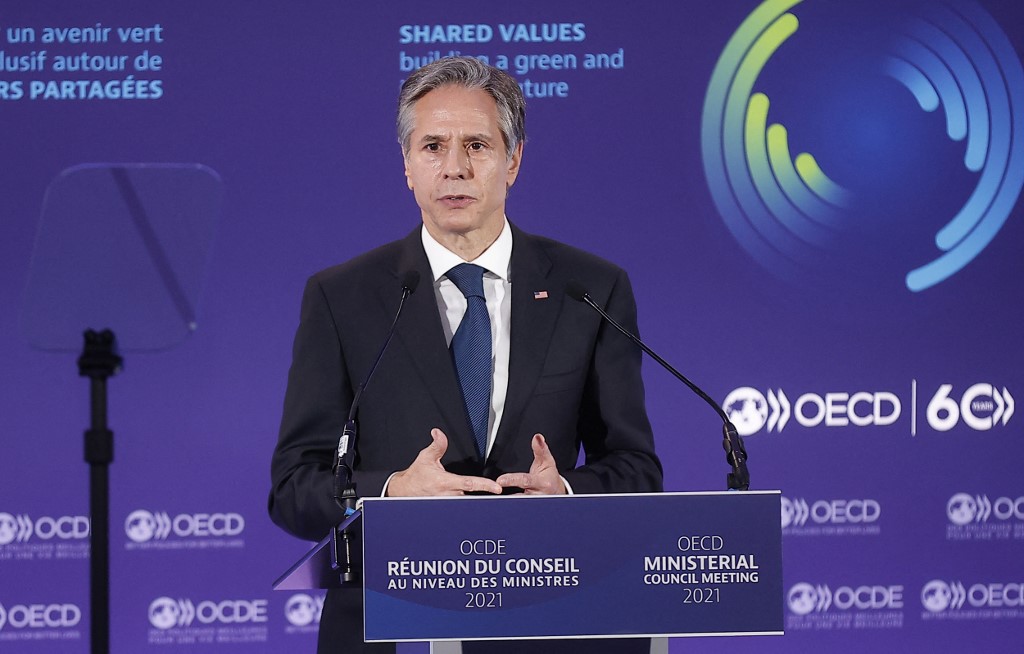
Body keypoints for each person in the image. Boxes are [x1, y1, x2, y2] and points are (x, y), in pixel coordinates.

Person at [269, 56, 662, 654]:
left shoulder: (589, 289)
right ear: (407, 166)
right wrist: (390, 491)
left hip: (548, 618)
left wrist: (566, 494)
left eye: (477, 145)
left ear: (514, 160)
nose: (454, 167)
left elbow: (636, 469)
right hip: (394, 625)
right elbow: (295, 489)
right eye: (433, 147)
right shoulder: (342, 298)